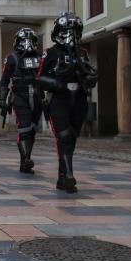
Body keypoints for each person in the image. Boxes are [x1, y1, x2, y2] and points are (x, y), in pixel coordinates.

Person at [39, 14, 98, 190]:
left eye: (73, 31)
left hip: (79, 98)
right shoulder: (50, 53)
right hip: (59, 98)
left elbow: (89, 73)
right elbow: (39, 77)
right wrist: (54, 83)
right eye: (65, 31)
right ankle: (69, 175)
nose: (69, 35)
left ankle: (62, 177)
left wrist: (90, 78)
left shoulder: (83, 53)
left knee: (71, 137)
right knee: (63, 136)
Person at [0, 28, 46, 173]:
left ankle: (25, 161)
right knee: (24, 128)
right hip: (20, 96)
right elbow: (4, 80)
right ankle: (26, 158)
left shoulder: (40, 57)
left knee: (32, 130)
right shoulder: (12, 58)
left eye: (30, 40)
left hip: (37, 96)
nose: (28, 44)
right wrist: (2, 98)